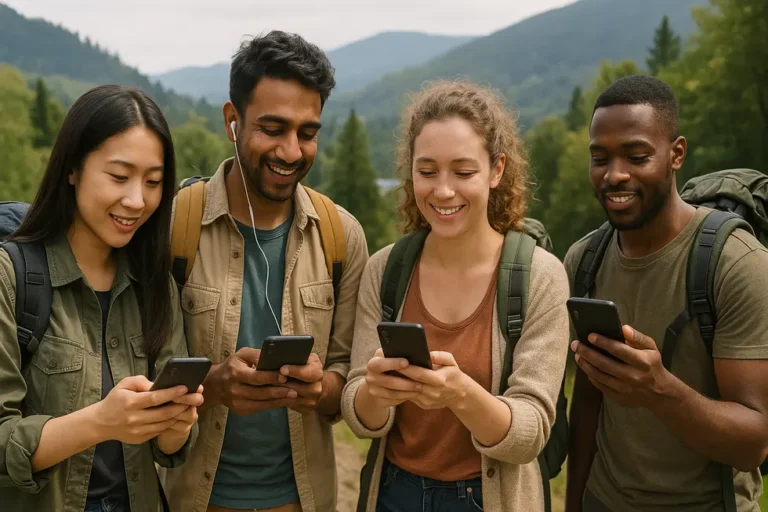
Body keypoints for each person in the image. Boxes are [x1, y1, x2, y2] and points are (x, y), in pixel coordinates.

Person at [158, 31, 369, 512]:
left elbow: (348, 379)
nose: (291, 152)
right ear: (231, 121)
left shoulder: (342, 236)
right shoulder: (172, 228)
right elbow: (135, 375)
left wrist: (318, 389)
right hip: (191, 499)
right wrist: (213, 386)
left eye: (307, 134)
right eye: (272, 129)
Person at [341, 80, 571, 512]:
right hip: (393, 495)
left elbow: (531, 432)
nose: (443, 191)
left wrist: (460, 395)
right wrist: (375, 391)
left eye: (463, 173)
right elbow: (360, 417)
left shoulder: (541, 277)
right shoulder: (385, 269)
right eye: (427, 172)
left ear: (497, 170)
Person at [564, 75, 768, 512]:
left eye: (636, 157)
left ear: (676, 154)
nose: (614, 175)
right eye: (599, 158)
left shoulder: (737, 264)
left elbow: (754, 444)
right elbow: (587, 406)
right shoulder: (584, 261)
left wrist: (658, 389)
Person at [0, 84, 202, 512]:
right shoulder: (11, 276)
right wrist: (101, 422)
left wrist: (176, 422)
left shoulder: (154, 284)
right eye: (119, 177)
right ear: (73, 168)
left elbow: (170, 449)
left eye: (153, 182)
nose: (137, 200)